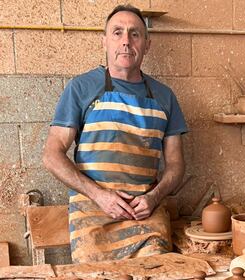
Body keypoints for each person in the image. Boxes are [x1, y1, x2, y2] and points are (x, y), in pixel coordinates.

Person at [42, 4, 187, 263]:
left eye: (135, 34)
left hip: (145, 215)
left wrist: (154, 197)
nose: (126, 42)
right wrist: (99, 195)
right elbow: (52, 155)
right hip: (93, 214)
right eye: (117, 33)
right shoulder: (81, 87)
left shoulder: (165, 96)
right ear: (105, 42)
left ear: (147, 44)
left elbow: (176, 165)